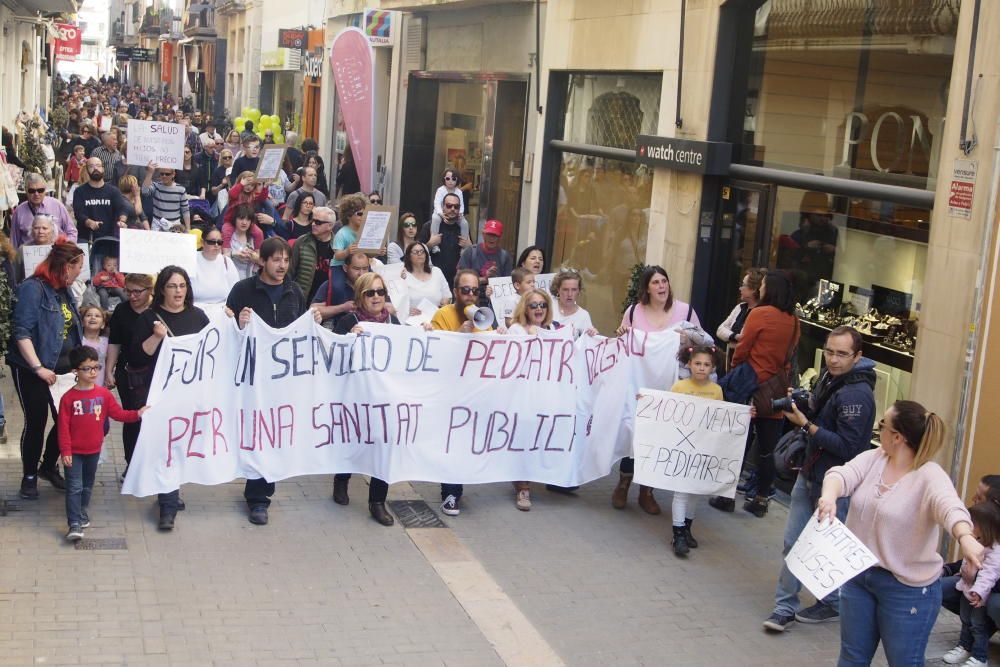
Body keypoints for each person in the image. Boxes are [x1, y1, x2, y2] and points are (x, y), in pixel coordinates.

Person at [817, 400, 984, 666]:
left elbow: (950, 508)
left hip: (907, 588)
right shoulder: (875, 458)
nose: (878, 429)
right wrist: (829, 496)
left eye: (882, 425)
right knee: (851, 658)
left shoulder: (929, 475)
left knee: (904, 661)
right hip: (858, 575)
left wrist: (965, 538)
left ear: (897, 437)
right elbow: (841, 474)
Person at [762, 326, 876, 632]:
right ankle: (784, 607)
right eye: (829, 352)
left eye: (842, 354)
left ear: (858, 356)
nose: (834, 360)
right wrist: (803, 403)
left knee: (824, 550)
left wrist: (807, 425)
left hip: (838, 484)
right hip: (811, 475)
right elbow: (821, 413)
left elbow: (848, 448)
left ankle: (833, 603)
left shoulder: (857, 395)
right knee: (793, 542)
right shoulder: (831, 378)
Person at [225, 237, 319, 525]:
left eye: (286, 260)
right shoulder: (243, 290)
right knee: (253, 431)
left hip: (282, 377)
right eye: (276, 260)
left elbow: (301, 330)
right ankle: (253, 489)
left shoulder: (294, 292)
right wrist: (238, 323)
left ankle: (260, 496)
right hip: (251, 376)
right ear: (262, 261)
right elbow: (227, 330)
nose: (282, 265)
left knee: (271, 433)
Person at [612, 266, 701, 515]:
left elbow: (704, 342)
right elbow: (623, 343)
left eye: (665, 281)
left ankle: (646, 491)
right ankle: (623, 483)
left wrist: (687, 341)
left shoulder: (685, 311)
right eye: (656, 283)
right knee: (633, 431)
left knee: (658, 437)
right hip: (638, 385)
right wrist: (622, 334)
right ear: (646, 288)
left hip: (670, 386)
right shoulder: (634, 311)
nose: (662, 286)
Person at [710, 270, 799, 517]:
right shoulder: (793, 320)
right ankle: (761, 499)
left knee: (738, 442)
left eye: (763, 286)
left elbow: (742, 349)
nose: (760, 289)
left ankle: (726, 496)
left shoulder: (759, 313)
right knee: (767, 448)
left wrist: (737, 372)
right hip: (775, 390)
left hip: (751, 386)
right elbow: (790, 354)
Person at [128, 266, 209, 530]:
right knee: (165, 447)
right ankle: (168, 506)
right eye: (173, 286)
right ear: (162, 289)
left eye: (182, 286)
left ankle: (170, 488)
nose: (178, 291)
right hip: (158, 394)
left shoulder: (198, 317)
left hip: (188, 394)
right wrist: (155, 337)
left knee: (179, 446)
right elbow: (137, 357)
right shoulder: (149, 318)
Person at [8, 241, 86, 499]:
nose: (80, 274)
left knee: (69, 419)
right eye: (78, 268)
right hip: (32, 369)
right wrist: (38, 367)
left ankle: (48, 465)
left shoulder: (63, 290)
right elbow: (22, 332)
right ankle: (29, 476)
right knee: (36, 421)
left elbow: (72, 330)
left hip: (63, 370)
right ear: (66, 266)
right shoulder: (33, 289)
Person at [331, 272, 400, 527]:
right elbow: (333, 355)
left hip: (384, 397)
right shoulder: (349, 320)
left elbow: (407, 353)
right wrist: (349, 337)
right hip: (355, 395)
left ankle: (377, 501)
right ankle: (341, 479)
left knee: (383, 444)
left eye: (380, 291)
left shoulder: (393, 322)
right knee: (352, 439)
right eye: (370, 292)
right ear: (360, 295)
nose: (376, 297)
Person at [58, 345, 146, 541]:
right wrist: (65, 451)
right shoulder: (68, 398)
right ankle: (73, 523)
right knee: (74, 487)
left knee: (87, 485)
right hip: (73, 452)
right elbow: (62, 428)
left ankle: (81, 512)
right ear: (75, 371)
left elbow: (118, 414)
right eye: (87, 368)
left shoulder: (104, 394)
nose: (93, 372)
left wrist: (138, 414)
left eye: (96, 367)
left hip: (94, 450)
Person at [430, 269, 495, 516]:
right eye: (465, 290)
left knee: (466, 443)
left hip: (475, 392)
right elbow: (436, 352)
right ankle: (450, 493)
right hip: (450, 391)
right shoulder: (442, 315)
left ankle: (458, 487)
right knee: (452, 442)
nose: (470, 295)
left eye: (475, 291)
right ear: (456, 292)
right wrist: (459, 336)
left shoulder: (484, 317)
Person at [665, 345, 726, 556]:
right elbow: (666, 411)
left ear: (713, 367)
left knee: (694, 491)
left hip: (703, 448)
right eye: (698, 363)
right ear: (689, 364)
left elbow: (721, 418)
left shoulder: (716, 391)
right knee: (681, 491)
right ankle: (678, 533)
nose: (701, 368)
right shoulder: (679, 387)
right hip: (683, 447)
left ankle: (687, 528)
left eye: (706, 365)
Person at [504, 288, 561, 511]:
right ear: (525, 309)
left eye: (542, 305)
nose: (538, 309)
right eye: (533, 305)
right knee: (524, 437)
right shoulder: (516, 330)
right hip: (522, 394)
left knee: (541, 436)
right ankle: (523, 485)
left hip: (547, 394)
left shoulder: (555, 330)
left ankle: (535, 474)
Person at [939, 501, 1000, 667]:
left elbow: (990, 574)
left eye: (973, 524)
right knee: (966, 621)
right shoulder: (975, 542)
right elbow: (965, 562)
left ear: (985, 527)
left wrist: (979, 592)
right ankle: (964, 647)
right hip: (966, 589)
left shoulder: (995, 551)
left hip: (978, 596)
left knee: (977, 625)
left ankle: (980, 657)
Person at [105, 273, 153, 469]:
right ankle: (131, 463)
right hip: (127, 372)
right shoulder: (121, 310)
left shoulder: (158, 310)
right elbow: (114, 342)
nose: (132, 296)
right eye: (128, 291)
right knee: (132, 417)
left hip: (153, 372)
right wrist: (109, 370)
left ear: (149, 291)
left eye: (137, 292)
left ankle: (151, 462)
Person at [458, 218, 512, 313]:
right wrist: (485, 278)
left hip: (494, 304)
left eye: (495, 235)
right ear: (483, 234)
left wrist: (495, 282)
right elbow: (459, 280)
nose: (491, 238)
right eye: (489, 234)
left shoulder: (505, 257)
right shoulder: (471, 252)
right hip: (471, 301)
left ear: (500, 237)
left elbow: (508, 285)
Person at [11, 173, 78, 247]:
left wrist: (64, 248)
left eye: (40, 190)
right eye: (32, 191)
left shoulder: (57, 205)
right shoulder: (19, 211)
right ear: (26, 191)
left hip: (56, 254)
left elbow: (72, 232)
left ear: (45, 190)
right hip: (30, 255)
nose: (36, 194)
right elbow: (14, 242)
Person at [717, 267, 766, 367]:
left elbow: (748, 338)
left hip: (746, 364)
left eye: (743, 285)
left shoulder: (760, 312)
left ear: (753, 290)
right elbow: (720, 330)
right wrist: (735, 336)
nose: (740, 288)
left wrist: (731, 336)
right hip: (730, 361)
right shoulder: (740, 307)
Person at [312, 250, 371, 329]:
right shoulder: (331, 285)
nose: (361, 273)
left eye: (365, 268)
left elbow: (391, 308)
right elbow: (313, 311)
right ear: (345, 268)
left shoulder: (374, 285)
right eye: (356, 269)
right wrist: (342, 308)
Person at [420, 192, 468, 285]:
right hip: (432, 282)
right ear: (443, 207)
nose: (453, 209)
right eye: (449, 206)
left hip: (456, 282)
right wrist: (430, 244)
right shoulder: (429, 227)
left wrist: (468, 246)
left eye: (456, 206)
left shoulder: (463, 229)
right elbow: (416, 253)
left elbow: (470, 256)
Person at [290, 205, 336, 298]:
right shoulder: (302, 242)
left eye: (318, 222)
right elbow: (290, 271)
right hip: (303, 298)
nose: (313, 224)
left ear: (330, 226)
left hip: (328, 299)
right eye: (313, 220)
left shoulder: (338, 245)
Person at [191, 227, 240, 309]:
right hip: (195, 310)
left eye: (219, 242)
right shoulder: (191, 259)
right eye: (211, 242)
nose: (216, 245)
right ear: (203, 242)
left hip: (222, 311)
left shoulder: (227, 262)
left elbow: (235, 290)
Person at [400, 242, 450, 320]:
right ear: (409, 256)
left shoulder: (437, 271)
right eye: (416, 252)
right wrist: (406, 311)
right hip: (412, 322)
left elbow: (447, 296)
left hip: (436, 320)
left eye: (422, 251)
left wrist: (445, 303)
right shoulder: (403, 275)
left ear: (426, 255)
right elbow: (398, 303)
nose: (419, 254)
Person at [142, 162, 191, 231]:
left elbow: (185, 210)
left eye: (167, 174)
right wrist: (150, 173)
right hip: (157, 225)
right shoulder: (156, 186)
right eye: (162, 174)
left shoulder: (181, 189)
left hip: (175, 226)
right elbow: (144, 192)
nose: (164, 176)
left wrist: (188, 228)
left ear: (173, 174)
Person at [549, 269, 597, 338]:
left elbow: (589, 341)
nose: (569, 294)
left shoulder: (583, 315)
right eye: (565, 289)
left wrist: (593, 334)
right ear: (558, 289)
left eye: (574, 290)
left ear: (579, 291)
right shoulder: (548, 304)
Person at [332, 193, 373, 267]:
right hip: (339, 266)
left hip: (360, 266)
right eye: (360, 214)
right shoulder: (342, 233)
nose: (363, 217)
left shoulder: (366, 232)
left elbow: (369, 254)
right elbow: (337, 255)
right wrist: (347, 252)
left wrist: (378, 252)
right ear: (348, 215)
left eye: (365, 214)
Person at [429, 170, 470, 243]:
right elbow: (437, 203)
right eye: (448, 178)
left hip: (455, 214)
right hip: (440, 213)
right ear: (444, 179)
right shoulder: (440, 190)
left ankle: (464, 245)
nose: (450, 181)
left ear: (457, 180)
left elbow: (461, 205)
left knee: (464, 223)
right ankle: (434, 241)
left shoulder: (459, 191)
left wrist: (460, 213)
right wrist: (441, 214)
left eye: (453, 179)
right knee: (435, 219)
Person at [223, 205, 261, 280]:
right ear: (235, 219)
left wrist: (253, 256)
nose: (244, 222)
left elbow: (261, 262)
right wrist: (235, 253)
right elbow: (222, 259)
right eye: (241, 218)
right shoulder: (229, 236)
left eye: (248, 220)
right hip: (231, 278)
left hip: (249, 279)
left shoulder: (253, 238)